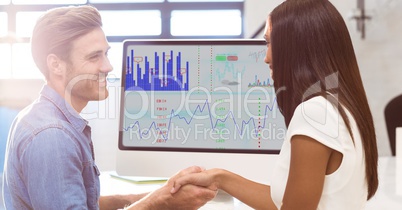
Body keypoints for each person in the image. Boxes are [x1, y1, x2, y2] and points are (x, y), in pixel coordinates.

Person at [2, 5, 216, 210]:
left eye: (106, 53)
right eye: (94, 56)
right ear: (56, 65)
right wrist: (160, 204)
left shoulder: (43, 116)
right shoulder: (52, 137)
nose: (108, 66)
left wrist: (162, 194)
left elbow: (82, 202)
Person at [170, 0, 379, 209]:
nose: (266, 57)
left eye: (270, 43)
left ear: (296, 46)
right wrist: (219, 177)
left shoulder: (315, 113)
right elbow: (288, 201)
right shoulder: (341, 106)